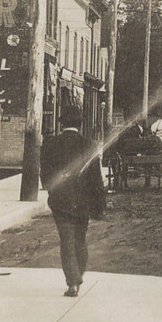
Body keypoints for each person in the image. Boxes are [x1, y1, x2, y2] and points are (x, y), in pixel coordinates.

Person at [41, 108, 106, 297]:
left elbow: (45, 176)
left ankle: (73, 282)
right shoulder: (89, 145)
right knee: (80, 240)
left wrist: (52, 190)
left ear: (62, 124)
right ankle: (78, 274)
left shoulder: (51, 144)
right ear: (80, 124)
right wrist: (99, 205)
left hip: (60, 202)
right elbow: (96, 179)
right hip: (83, 202)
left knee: (66, 241)